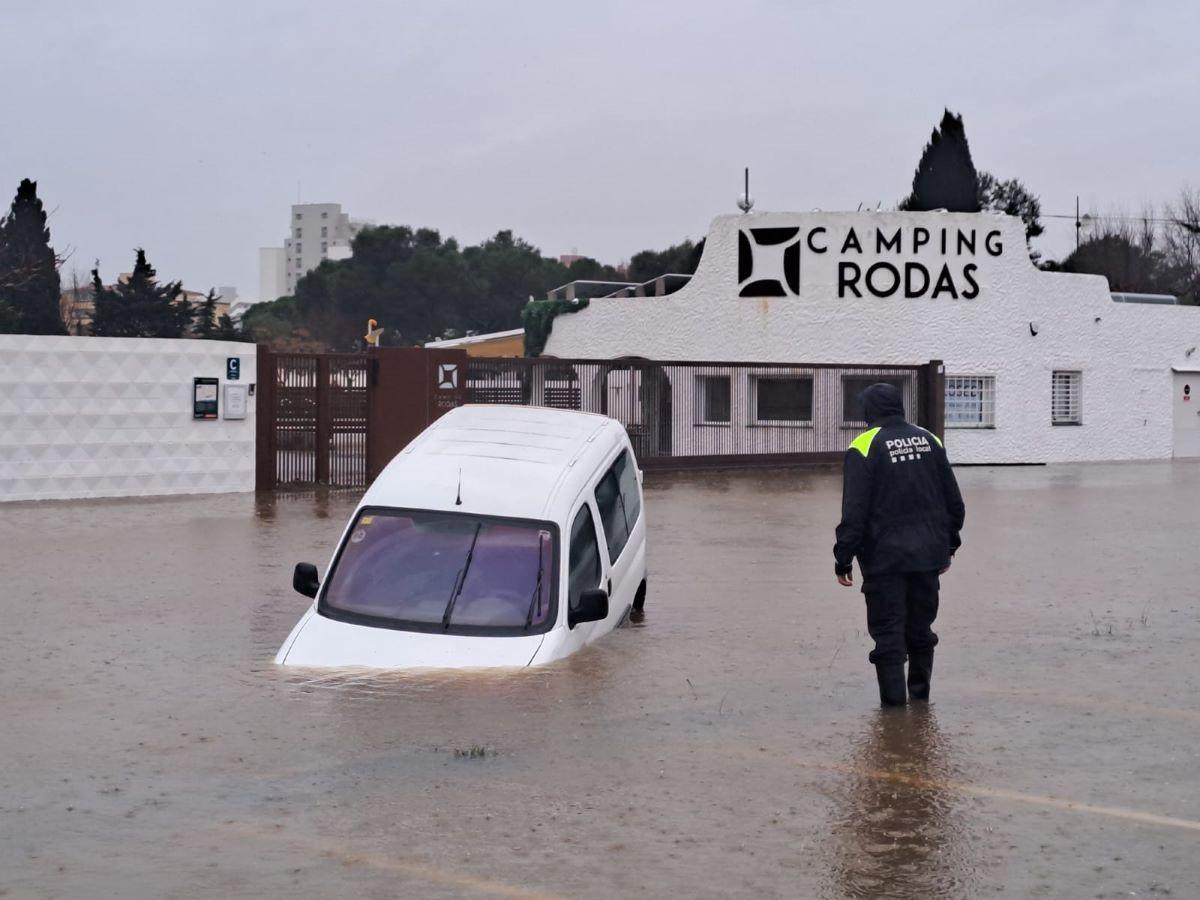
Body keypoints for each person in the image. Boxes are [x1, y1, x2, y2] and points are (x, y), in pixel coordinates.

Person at [833, 383, 965, 707]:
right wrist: (948, 547)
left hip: (884, 560)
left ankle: (893, 718)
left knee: (889, 636)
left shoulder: (863, 446)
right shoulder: (930, 440)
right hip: (927, 556)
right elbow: (954, 502)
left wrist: (843, 558)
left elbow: (854, 511)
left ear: (868, 411)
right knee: (922, 631)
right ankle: (921, 708)